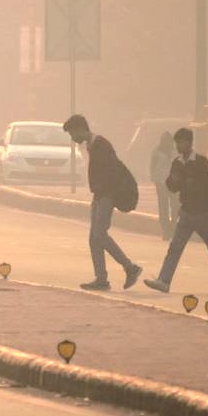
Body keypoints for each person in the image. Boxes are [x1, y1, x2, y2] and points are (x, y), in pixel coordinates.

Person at [144, 128, 208, 294]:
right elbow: (172, 186)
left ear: (189, 143)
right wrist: (172, 181)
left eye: (182, 142)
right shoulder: (177, 163)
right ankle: (164, 280)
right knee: (175, 247)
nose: (178, 145)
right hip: (185, 212)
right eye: (177, 142)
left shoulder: (200, 162)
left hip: (201, 213)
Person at [63, 114, 142, 291]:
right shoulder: (92, 145)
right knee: (93, 239)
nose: (73, 138)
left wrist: (106, 195)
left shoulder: (101, 145)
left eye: (72, 134)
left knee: (99, 234)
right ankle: (101, 279)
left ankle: (130, 267)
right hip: (99, 195)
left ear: (80, 129)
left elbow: (112, 172)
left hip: (107, 195)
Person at [150, 132, 178, 239]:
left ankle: (172, 227)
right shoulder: (156, 152)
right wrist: (153, 178)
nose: (166, 143)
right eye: (164, 140)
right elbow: (152, 166)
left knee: (175, 207)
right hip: (160, 182)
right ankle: (166, 229)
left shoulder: (175, 152)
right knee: (163, 207)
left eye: (168, 140)